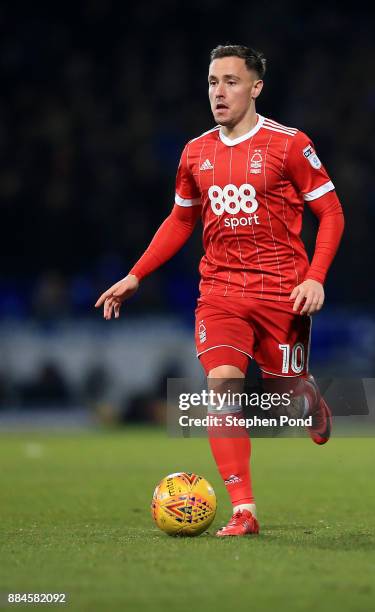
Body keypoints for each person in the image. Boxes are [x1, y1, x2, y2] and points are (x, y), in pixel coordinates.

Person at [95, 44, 345, 537]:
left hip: (282, 293)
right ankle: (244, 510)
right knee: (223, 387)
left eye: (231, 81)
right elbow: (181, 219)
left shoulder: (290, 145)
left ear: (256, 88)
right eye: (212, 82)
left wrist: (315, 276)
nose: (219, 92)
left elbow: (331, 213)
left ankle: (309, 397)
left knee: (284, 395)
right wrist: (136, 274)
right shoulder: (195, 152)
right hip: (221, 291)